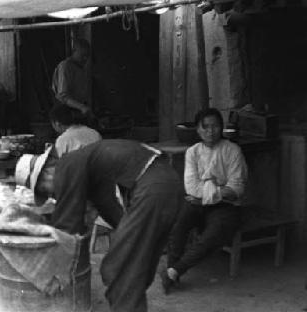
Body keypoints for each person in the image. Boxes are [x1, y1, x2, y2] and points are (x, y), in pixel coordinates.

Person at [17, 140, 183, 312]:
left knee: (118, 269)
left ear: (46, 170)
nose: (50, 194)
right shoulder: (86, 163)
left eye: (43, 189)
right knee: (136, 267)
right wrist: (124, 234)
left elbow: (67, 222)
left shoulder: (67, 165)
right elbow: (107, 205)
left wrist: (52, 264)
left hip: (153, 190)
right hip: (168, 185)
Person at [161, 108, 248, 294]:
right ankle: (172, 269)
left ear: (221, 128)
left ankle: (174, 271)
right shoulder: (193, 152)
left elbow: (237, 189)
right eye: (205, 127)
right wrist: (217, 189)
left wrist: (206, 195)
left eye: (215, 126)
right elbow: (192, 187)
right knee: (178, 224)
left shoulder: (232, 151)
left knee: (211, 236)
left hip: (226, 207)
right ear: (198, 130)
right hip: (198, 203)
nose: (210, 131)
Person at [52, 38, 92, 118]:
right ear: (74, 51)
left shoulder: (81, 69)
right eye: (82, 55)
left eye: (87, 56)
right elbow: (63, 97)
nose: (85, 59)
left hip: (78, 113)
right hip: (66, 115)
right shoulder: (65, 66)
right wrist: (82, 107)